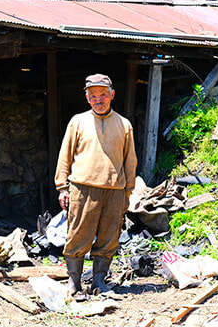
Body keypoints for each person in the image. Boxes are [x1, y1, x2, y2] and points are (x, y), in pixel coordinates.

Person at [55, 73, 137, 297]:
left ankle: (99, 281)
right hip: (83, 189)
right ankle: (74, 282)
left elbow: (130, 161)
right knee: (78, 235)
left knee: (109, 237)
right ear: (87, 98)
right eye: (93, 96)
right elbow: (65, 156)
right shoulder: (77, 121)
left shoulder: (124, 124)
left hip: (114, 191)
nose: (98, 100)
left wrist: (128, 191)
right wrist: (62, 187)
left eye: (102, 95)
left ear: (112, 95)